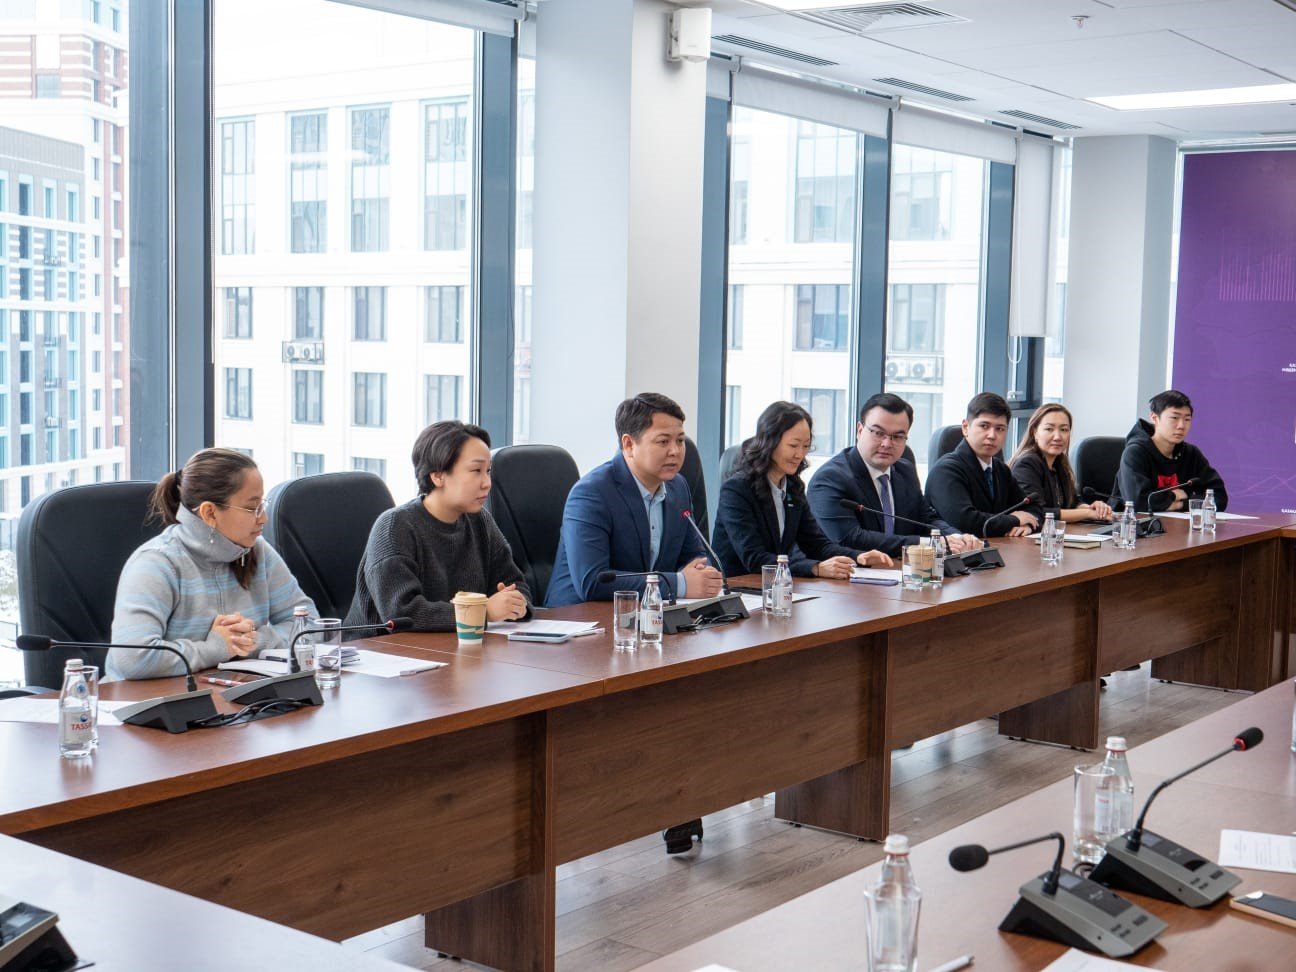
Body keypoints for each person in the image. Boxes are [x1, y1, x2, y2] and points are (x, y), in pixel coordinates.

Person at [109, 448, 316, 680]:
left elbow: (310, 624)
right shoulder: (156, 563)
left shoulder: (257, 550)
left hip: (231, 693)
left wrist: (252, 641)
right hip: (153, 699)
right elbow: (132, 659)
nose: (263, 518)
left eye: (262, 505)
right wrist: (216, 648)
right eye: (252, 508)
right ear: (210, 513)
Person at [346, 421, 531, 630]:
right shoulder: (394, 528)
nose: (487, 482)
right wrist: (483, 611)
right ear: (437, 475)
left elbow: (516, 584)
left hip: (455, 645)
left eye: (488, 471)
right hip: (382, 648)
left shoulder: (480, 521)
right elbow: (402, 614)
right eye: (476, 470)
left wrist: (514, 603)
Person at [546, 392, 723, 607]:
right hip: (581, 618)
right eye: (663, 441)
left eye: (680, 440)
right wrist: (680, 583)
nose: (675, 451)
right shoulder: (591, 493)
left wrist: (703, 574)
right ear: (629, 444)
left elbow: (696, 557)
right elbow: (593, 582)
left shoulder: (678, 488)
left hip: (646, 613)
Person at [713, 401, 893, 578]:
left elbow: (816, 544)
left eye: (806, 446)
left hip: (777, 586)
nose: (800, 454)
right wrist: (815, 568)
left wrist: (858, 557)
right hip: (739, 586)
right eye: (793, 445)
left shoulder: (793, 487)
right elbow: (754, 559)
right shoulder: (736, 490)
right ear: (769, 442)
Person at [809, 393, 982, 557]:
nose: (887, 443)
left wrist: (956, 537)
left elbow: (926, 519)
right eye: (878, 433)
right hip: (851, 574)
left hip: (900, 570)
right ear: (860, 430)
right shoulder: (830, 478)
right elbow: (850, 538)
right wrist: (930, 544)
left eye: (897, 436)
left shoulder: (904, 470)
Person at [925, 392, 1044, 538]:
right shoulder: (946, 470)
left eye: (1000, 429)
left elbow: (1034, 508)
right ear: (965, 427)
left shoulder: (1001, 470)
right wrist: (1015, 520)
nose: (992, 435)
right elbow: (965, 522)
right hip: (957, 551)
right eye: (984, 426)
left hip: (999, 547)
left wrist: (1027, 525)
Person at [1112, 389, 1228, 513]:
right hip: (1133, 523)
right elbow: (1137, 502)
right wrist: (1175, 497)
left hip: (1179, 524)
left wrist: (1182, 503)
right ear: (1154, 418)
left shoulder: (1191, 454)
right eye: (1174, 418)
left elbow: (1219, 498)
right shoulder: (1135, 453)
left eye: (1187, 419)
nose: (1181, 425)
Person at [1009, 404, 1114, 523]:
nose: (1058, 437)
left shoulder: (1059, 463)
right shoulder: (1027, 464)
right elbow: (1036, 512)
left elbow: (1072, 503)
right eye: (1049, 429)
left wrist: (1093, 508)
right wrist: (1088, 513)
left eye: (1064, 430)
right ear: (1034, 432)